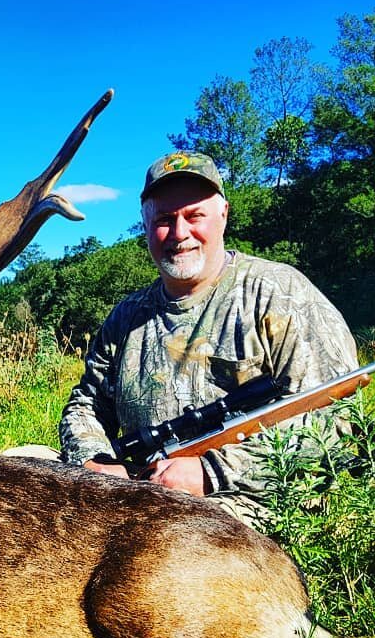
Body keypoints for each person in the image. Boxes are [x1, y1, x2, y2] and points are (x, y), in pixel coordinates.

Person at [57, 151, 359, 527]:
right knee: (18, 468)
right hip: (139, 485)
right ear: (146, 226)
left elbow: (337, 418)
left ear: (224, 215)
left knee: (172, 535)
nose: (180, 234)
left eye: (194, 216)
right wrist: (95, 463)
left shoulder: (280, 293)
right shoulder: (127, 316)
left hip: (252, 496)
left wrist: (210, 472)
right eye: (165, 220)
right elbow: (86, 404)